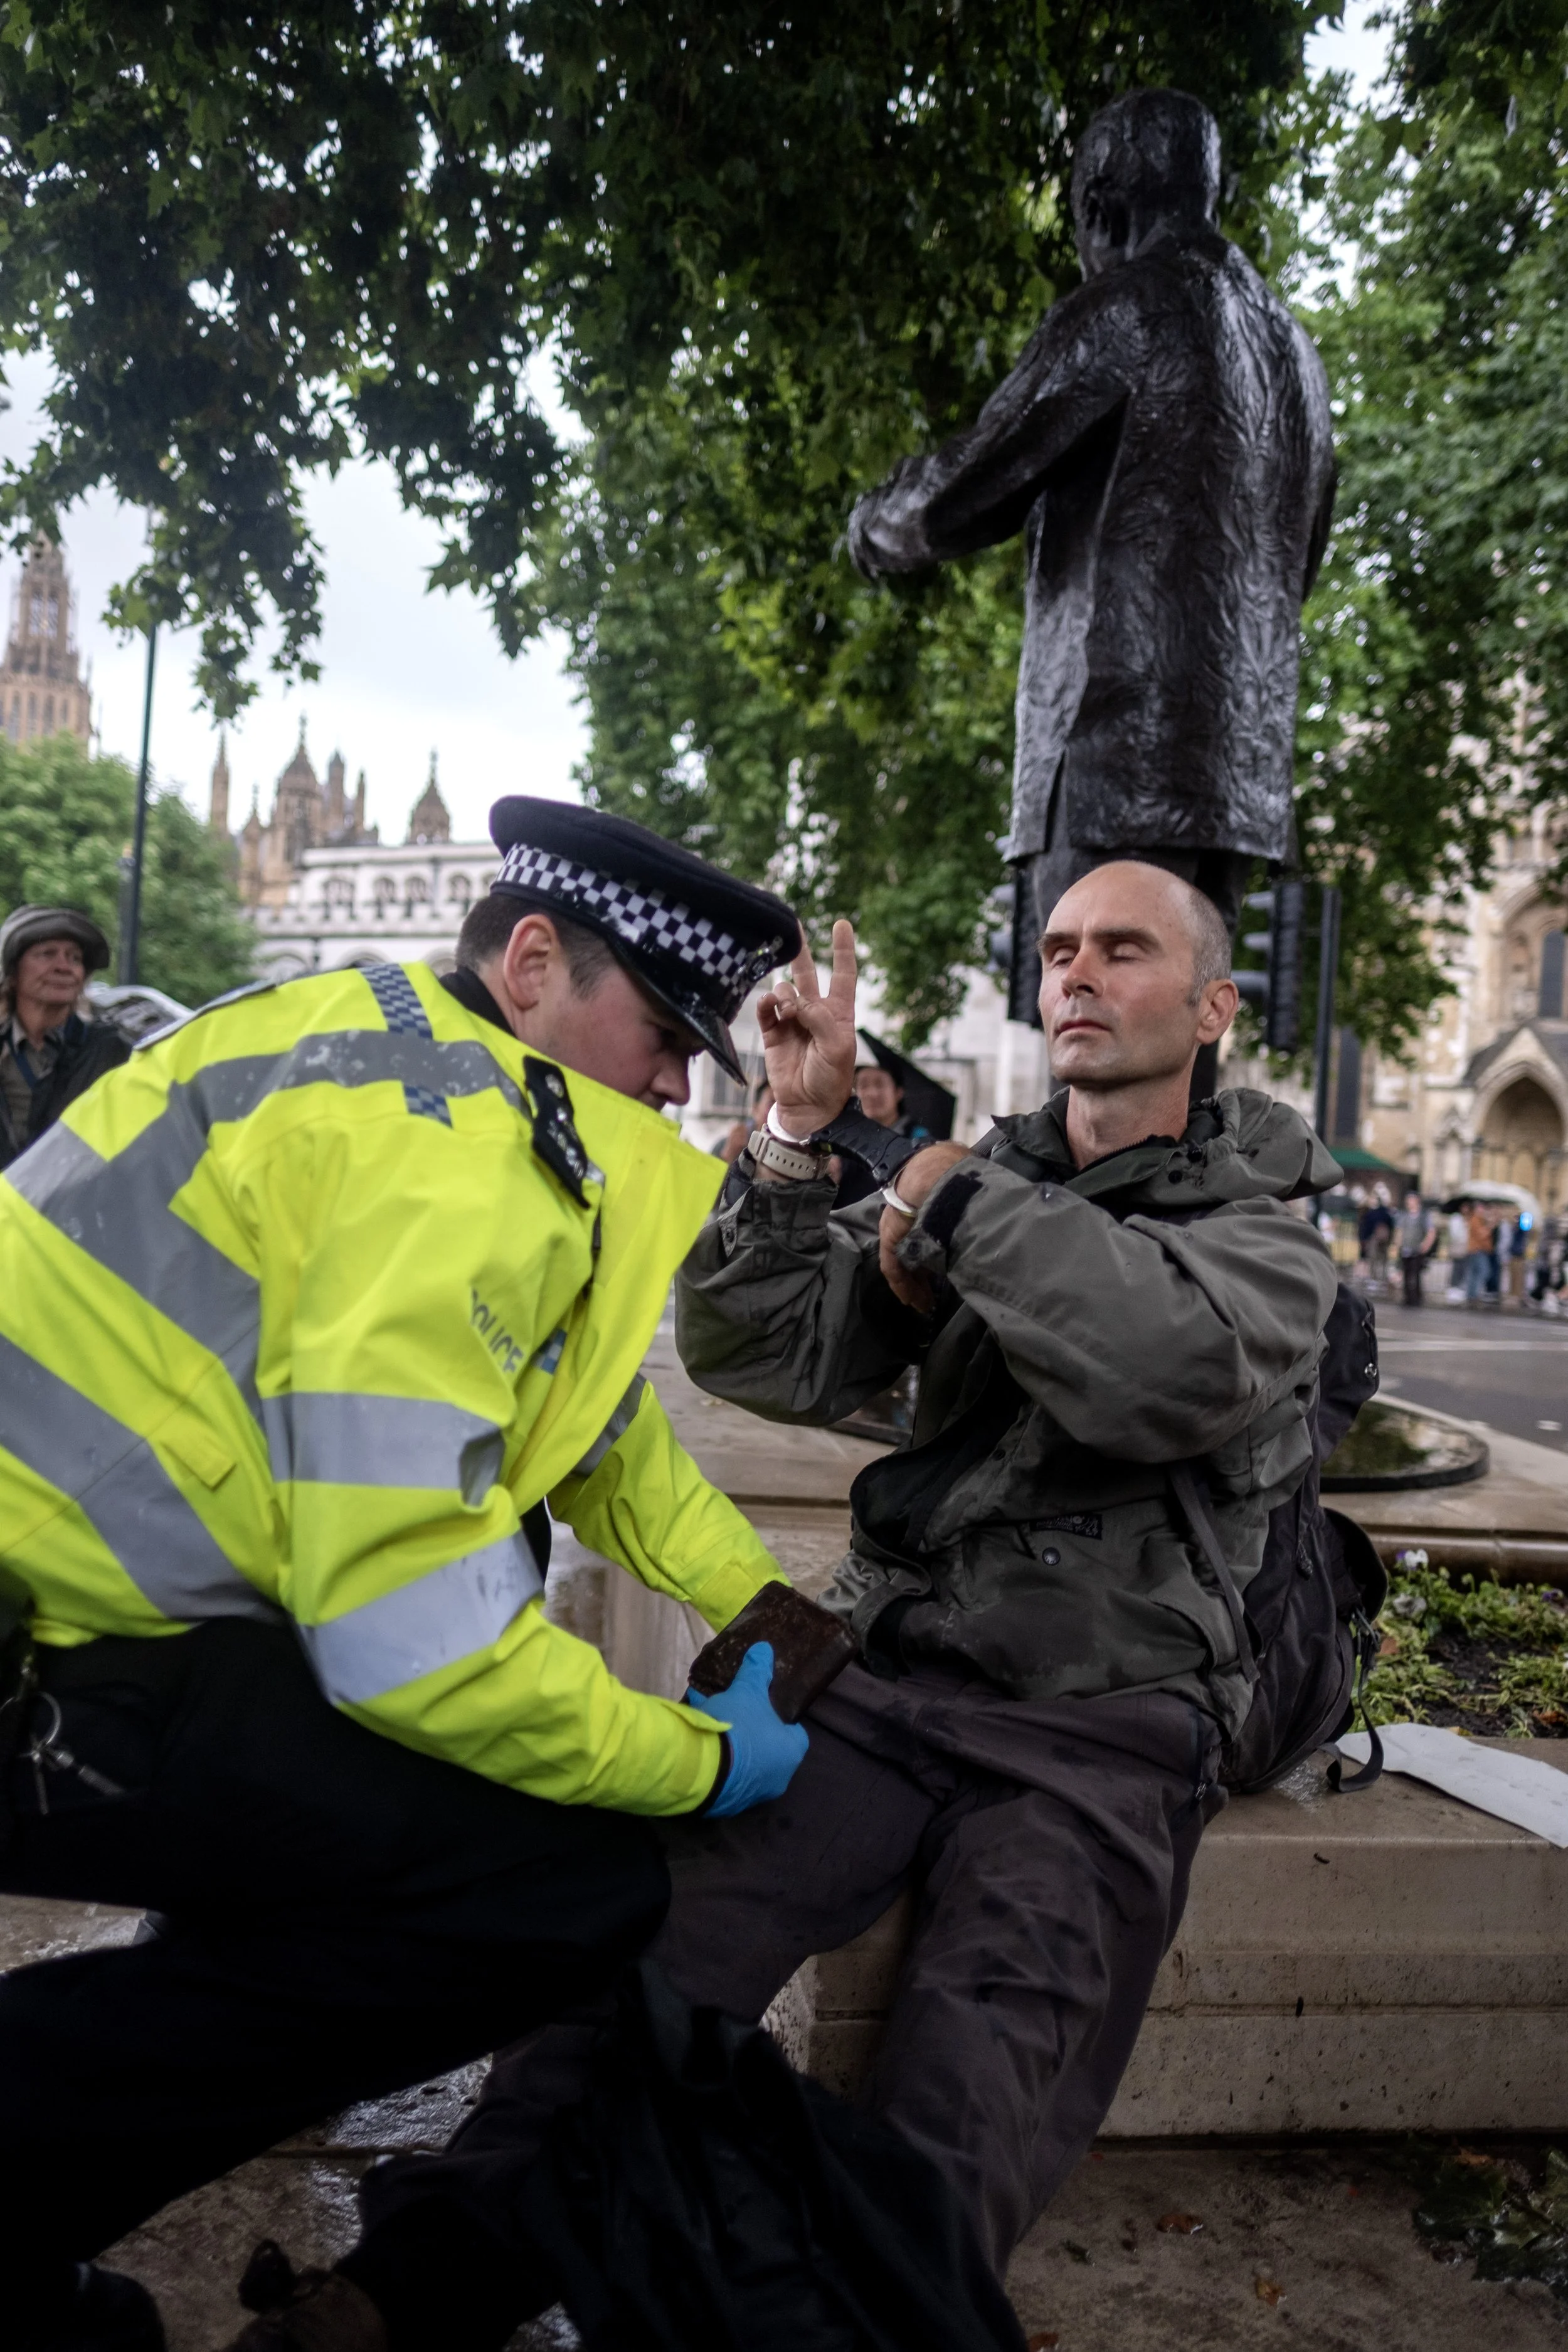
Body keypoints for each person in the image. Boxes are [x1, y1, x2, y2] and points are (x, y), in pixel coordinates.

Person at [332, 859, 1338, 2331]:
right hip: (896, 1670)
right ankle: (407, 2289)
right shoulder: (987, 1175)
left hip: (1106, 1722)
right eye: (1058, 947)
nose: (1077, 972)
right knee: (639, 1961)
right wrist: (803, 1136)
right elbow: (774, 1357)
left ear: (1211, 1007)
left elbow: (1161, 1367)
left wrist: (943, 1191)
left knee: (978, 2070)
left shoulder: (1267, 1225)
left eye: (1123, 950)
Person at [0, 800, 813, 2352]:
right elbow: (409, 1645)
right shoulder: (439, 1162)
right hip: (38, 1650)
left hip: (81, 1595)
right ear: (527, 961)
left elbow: (587, 1423)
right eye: (663, 1029)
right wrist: (696, 1759)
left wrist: (757, 1598)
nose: (675, 1078)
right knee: (546, 1890)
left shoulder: (411, 1063)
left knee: (381, 1816)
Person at [0, 904, 130, 1170]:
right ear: (12, 975)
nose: (64, 967)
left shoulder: (111, 1052)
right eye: (47, 954)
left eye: (75, 959)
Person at [1394, 1188, 1436, 1308]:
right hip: (1405, 1248)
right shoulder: (1404, 1215)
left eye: (1411, 1200)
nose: (1409, 1203)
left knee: (1416, 1274)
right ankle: (1407, 1297)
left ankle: (1417, 1297)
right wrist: (1397, 1244)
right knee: (1406, 1274)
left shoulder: (1423, 1216)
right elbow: (1400, 1231)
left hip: (1417, 1249)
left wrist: (1426, 1245)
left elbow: (1431, 1231)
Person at [1464, 1197, 1497, 1305]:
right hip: (1477, 1250)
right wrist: (1490, 1226)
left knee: (1475, 1273)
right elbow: (1482, 1235)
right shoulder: (1476, 1220)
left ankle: (1471, 1295)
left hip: (1479, 1251)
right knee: (1484, 1272)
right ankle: (1473, 1294)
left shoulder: (1480, 1220)